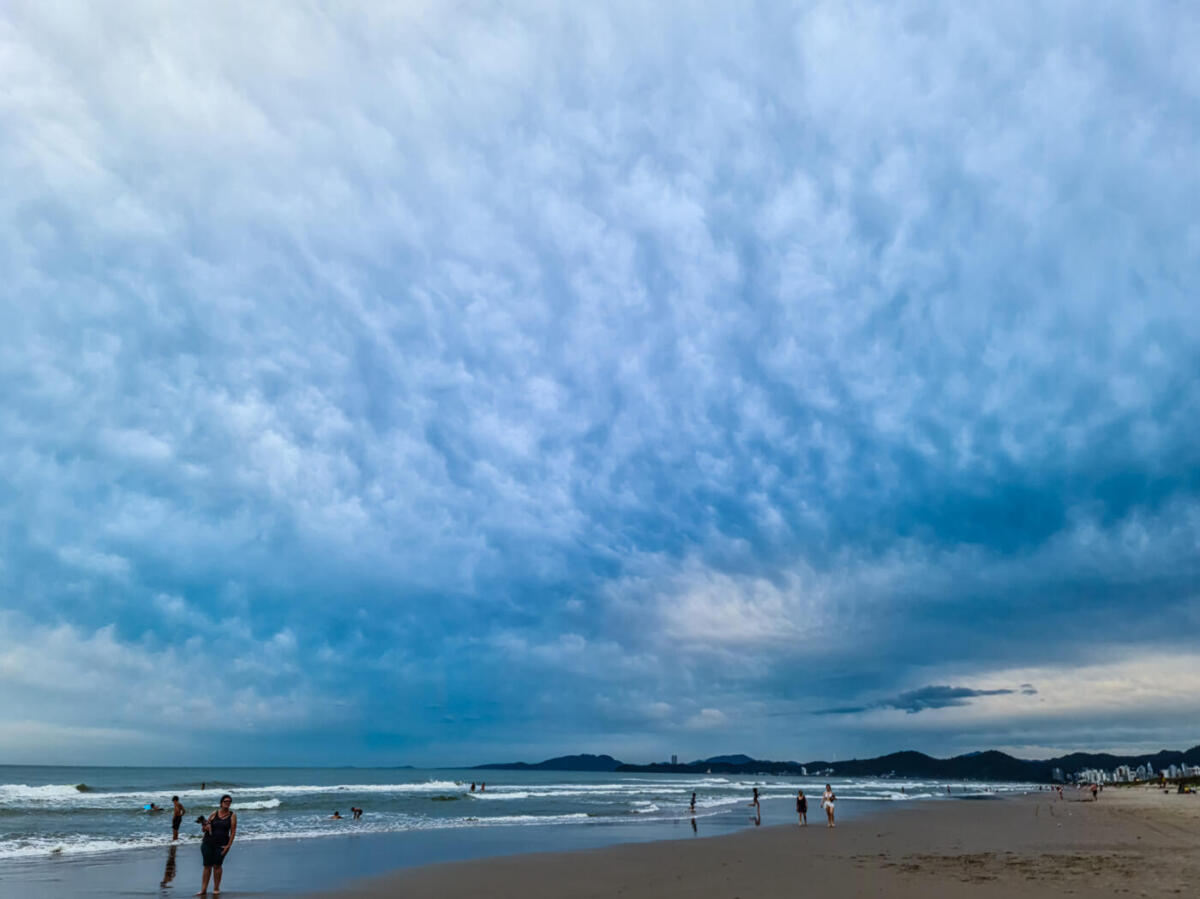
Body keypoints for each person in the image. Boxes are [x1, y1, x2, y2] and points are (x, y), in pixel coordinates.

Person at [196, 794, 236, 896]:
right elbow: (204, 828)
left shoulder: (232, 816)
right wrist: (205, 827)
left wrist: (228, 846)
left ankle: (216, 888)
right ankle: (203, 890)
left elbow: (233, 832)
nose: (228, 803)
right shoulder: (214, 813)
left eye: (229, 801)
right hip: (207, 843)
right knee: (207, 866)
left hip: (222, 845)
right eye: (226, 801)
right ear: (221, 803)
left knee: (217, 866)